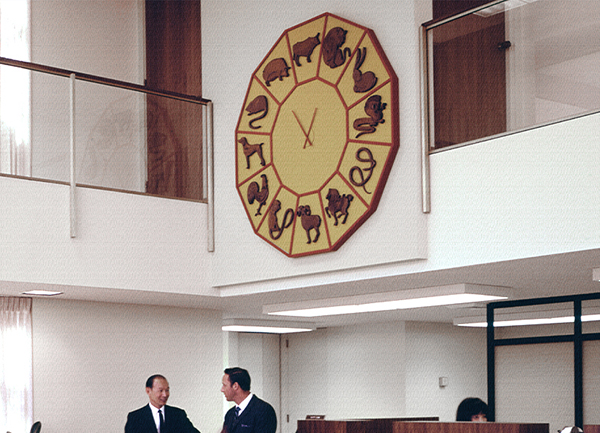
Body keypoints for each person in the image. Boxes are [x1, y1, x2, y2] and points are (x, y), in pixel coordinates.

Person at [125, 374, 200, 433]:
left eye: (167, 390)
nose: (165, 395)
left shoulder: (178, 414)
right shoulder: (135, 418)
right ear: (148, 391)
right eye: (160, 390)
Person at [221, 367, 277, 433]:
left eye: (224, 385)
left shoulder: (264, 410)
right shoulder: (230, 414)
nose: (222, 389)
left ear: (235, 386)